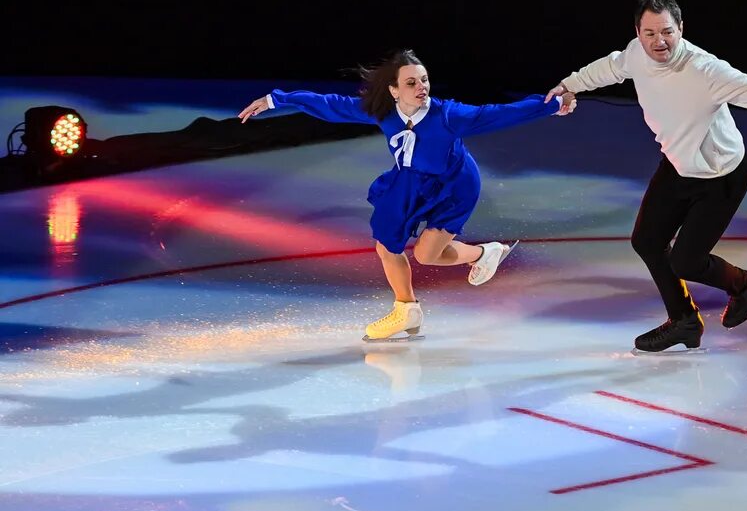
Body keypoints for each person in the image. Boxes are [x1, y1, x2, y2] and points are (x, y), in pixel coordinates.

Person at [545, 0, 747, 353]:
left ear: (681, 28)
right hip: (679, 165)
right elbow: (611, 65)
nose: (659, 41)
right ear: (637, 32)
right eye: (649, 33)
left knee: (685, 261)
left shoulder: (705, 70)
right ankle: (684, 321)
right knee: (647, 242)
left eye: (667, 31)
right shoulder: (636, 53)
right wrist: (569, 85)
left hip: (721, 176)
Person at [239, 49, 574, 341]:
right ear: (394, 90)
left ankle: (482, 253)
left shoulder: (448, 116)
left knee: (428, 255)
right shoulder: (383, 112)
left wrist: (553, 105)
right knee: (386, 243)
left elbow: (498, 113)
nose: (421, 88)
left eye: (424, 80)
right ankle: (407, 310)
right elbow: (331, 105)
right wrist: (275, 100)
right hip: (410, 183)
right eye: (411, 83)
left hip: (454, 186)